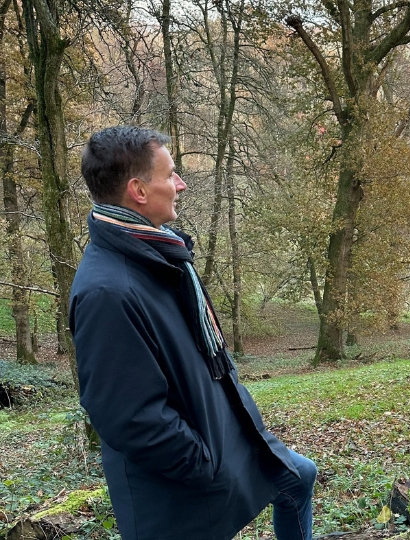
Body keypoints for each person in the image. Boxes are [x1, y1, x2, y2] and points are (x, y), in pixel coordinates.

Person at [69, 126, 316, 540]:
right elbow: (130, 418)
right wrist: (203, 466)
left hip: (217, 438)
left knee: (297, 477)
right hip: (178, 484)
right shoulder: (107, 292)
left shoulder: (160, 255)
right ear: (139, 191)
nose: (180, 184)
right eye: (170, 175)